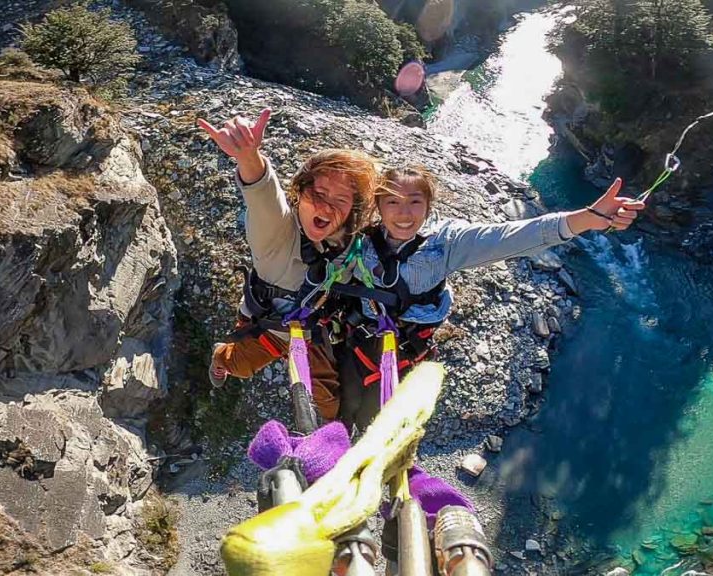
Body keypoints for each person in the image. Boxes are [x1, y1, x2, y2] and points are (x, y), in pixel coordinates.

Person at [336, 166, 645, 433]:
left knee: (376, 416)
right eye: (392, 202)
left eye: (415, 202)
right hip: (361, 339)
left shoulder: (445, 243)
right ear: (378, 207)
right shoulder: (361, 241)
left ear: (429, 206)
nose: (404, 214)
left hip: (407, 344)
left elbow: (515, 236)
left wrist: (588, 218)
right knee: (345, 403)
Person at [197, 108, 382, 421]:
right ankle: (220, 356)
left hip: (312, 328)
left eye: (340, 200)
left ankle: (331, 437)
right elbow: (263, 195)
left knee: (325, 401)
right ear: (300, 192)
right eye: (319, 192)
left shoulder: (353, 241)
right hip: (268, 325)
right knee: (240, 365)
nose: (325, 205)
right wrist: (248, 156)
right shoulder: (276, 233)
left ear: (353, 211)